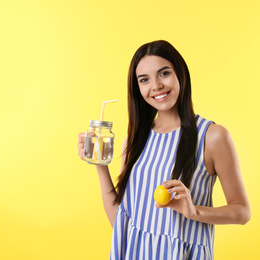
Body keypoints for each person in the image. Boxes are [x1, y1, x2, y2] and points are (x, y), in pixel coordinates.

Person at [78, 40, 250, 260]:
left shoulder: (212, 136)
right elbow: (120, 223)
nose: (156, 86)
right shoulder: (135, 140)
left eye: (164, 73)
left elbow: (242, 212)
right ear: (138, 89)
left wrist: (194, 211)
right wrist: (100, 167)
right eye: (144, 80)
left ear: (180, 74)